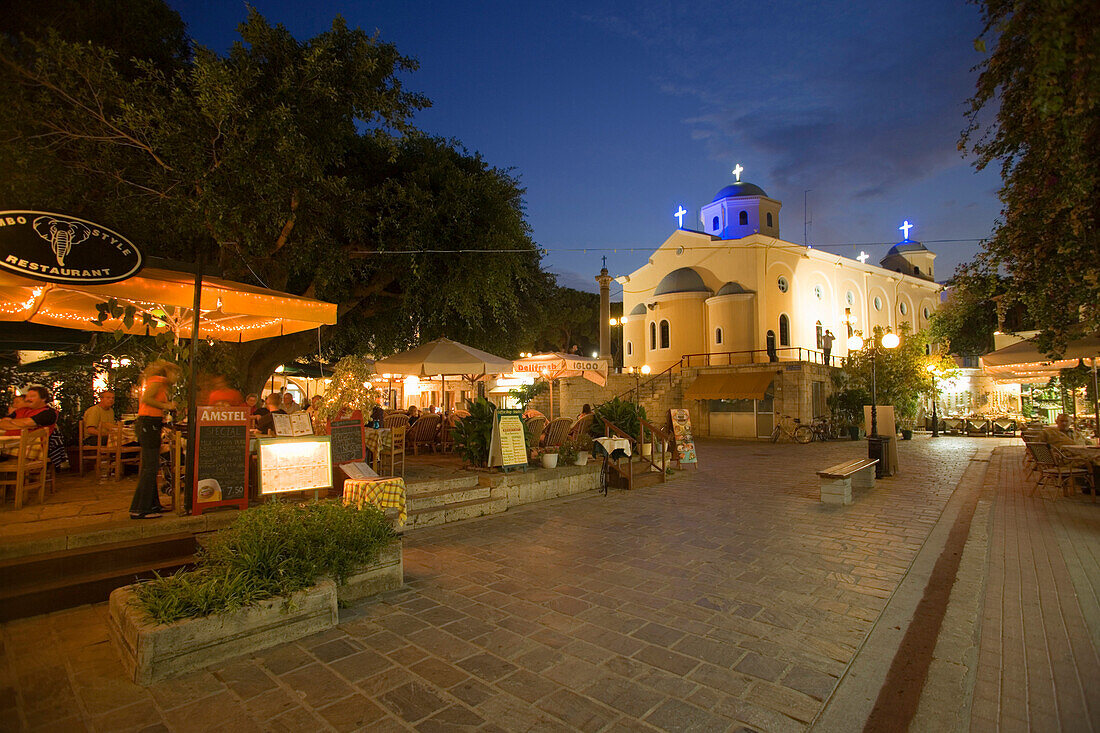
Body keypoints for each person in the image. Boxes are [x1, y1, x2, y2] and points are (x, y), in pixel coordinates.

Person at [130, 361, 180, 519]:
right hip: (149, 424)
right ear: (169, 371)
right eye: (176, 374)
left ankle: (152, 505)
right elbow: (147, 399)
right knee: (150, 467)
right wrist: (167, 406)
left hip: (150, 424)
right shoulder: (158, 380)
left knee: (151, 466)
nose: (177, 378)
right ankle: (141, 508)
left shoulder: (155, 381)